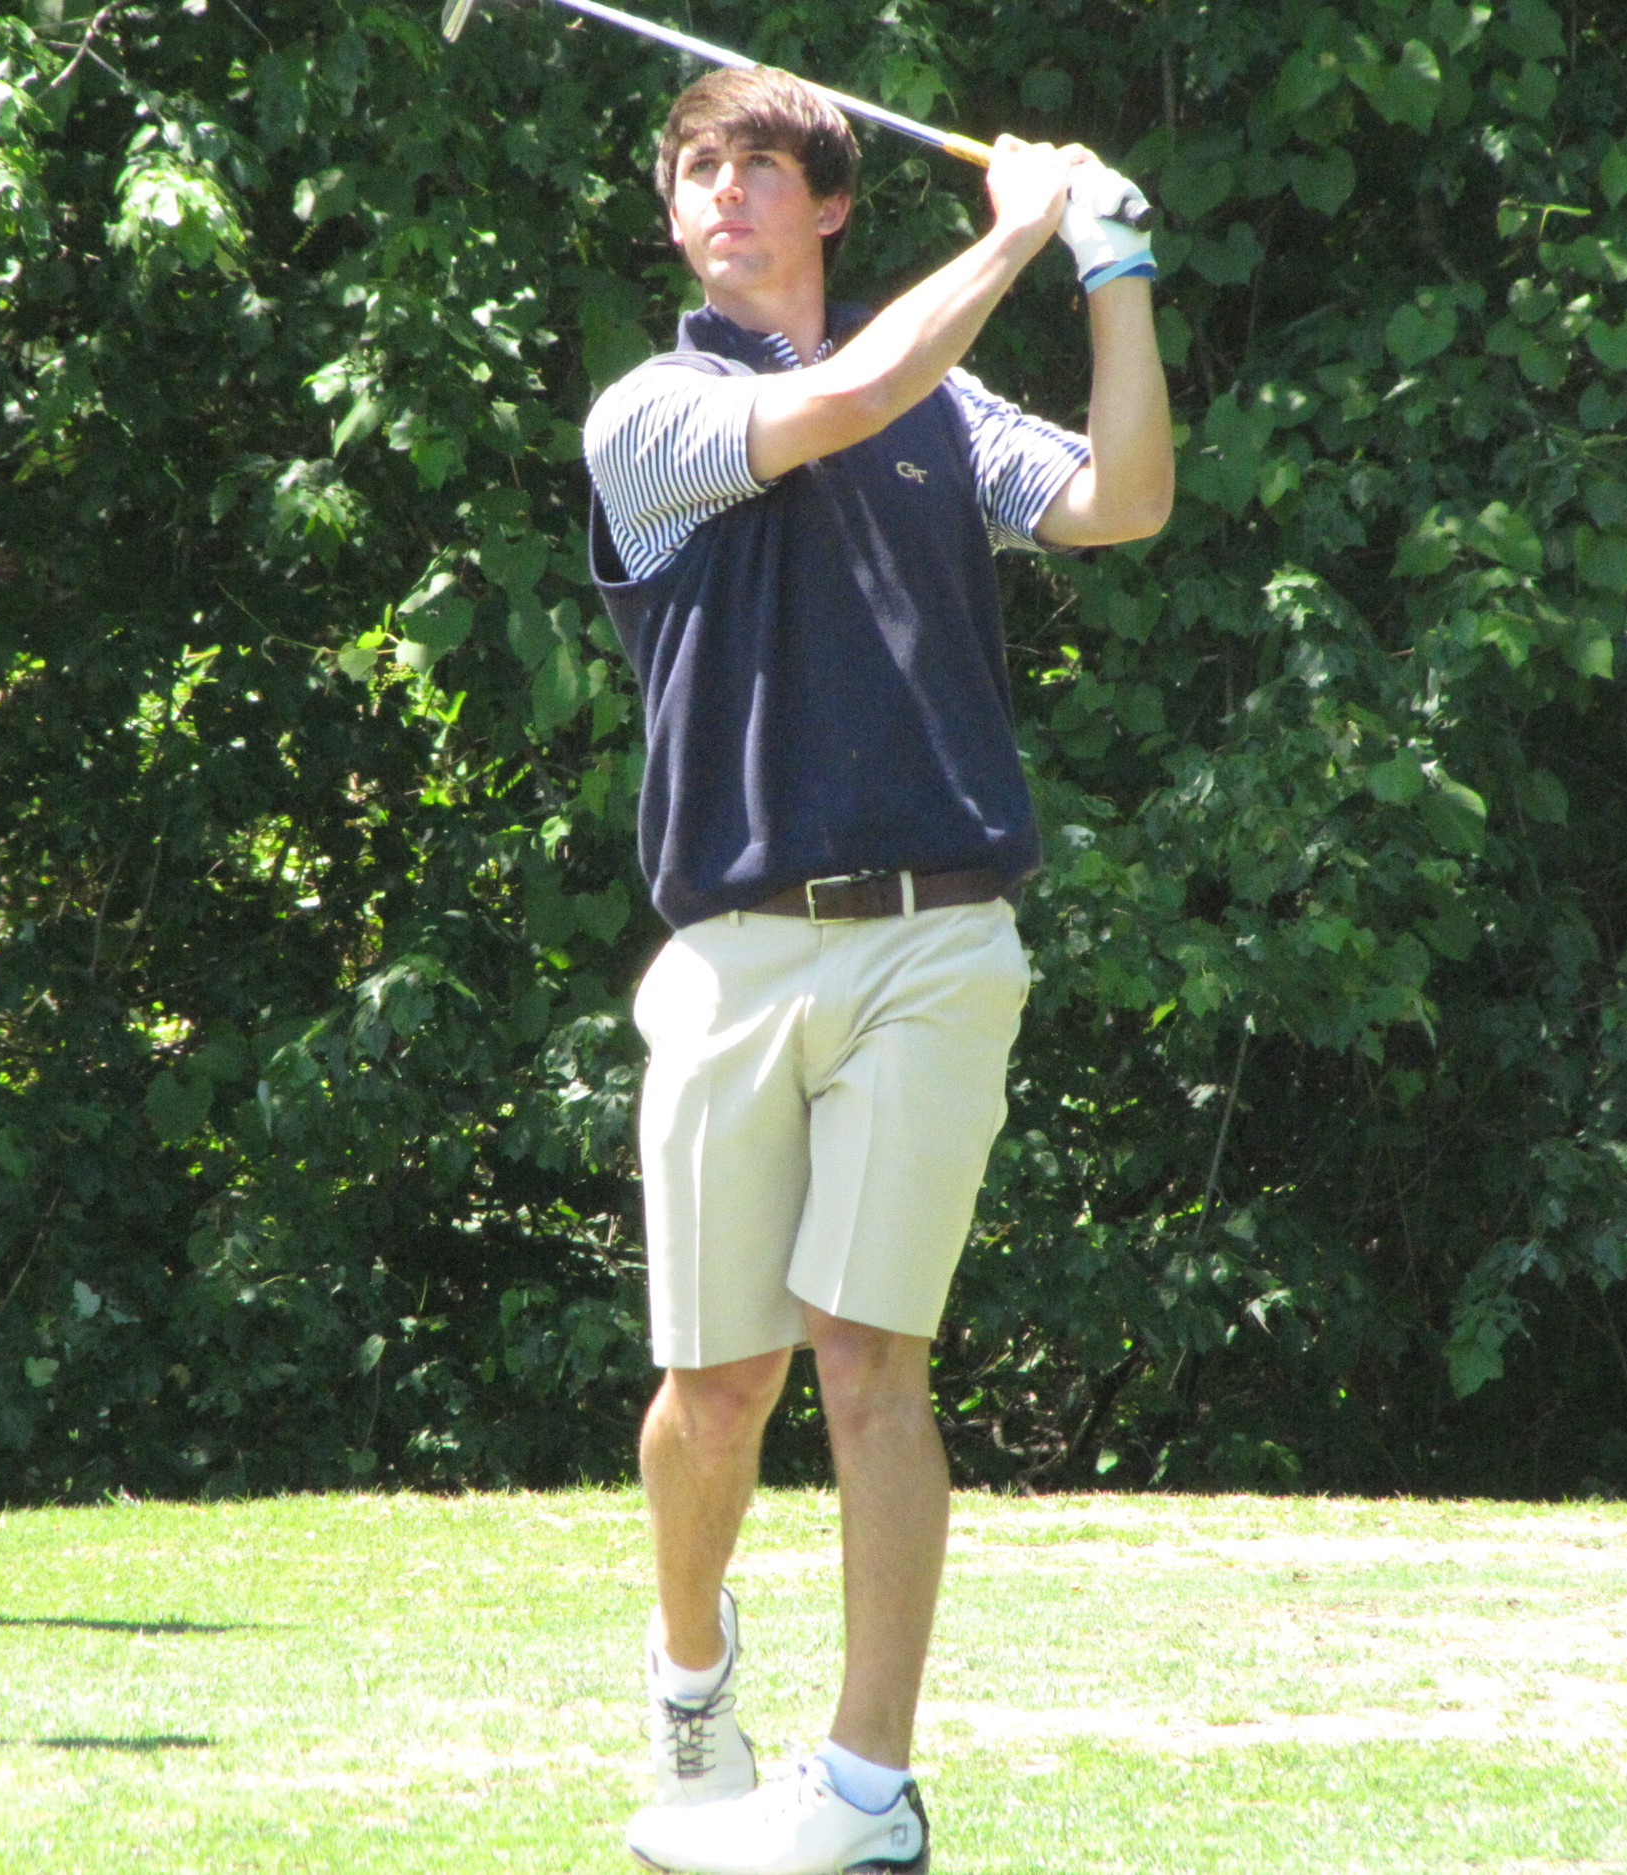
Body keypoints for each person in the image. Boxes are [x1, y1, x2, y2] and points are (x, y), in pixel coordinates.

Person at [584, 68, 1172, 1875]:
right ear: (676, 212)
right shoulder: (653, 410)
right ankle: (695, 1663)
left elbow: (1124, 503)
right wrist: (1014, 230)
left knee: (870, 1365)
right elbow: (837, 399)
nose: (727, 194)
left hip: (939, 938)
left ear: (833, 206)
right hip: (734, 954)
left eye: (763, 166)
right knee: (718, 1388)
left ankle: (867, 1790)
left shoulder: (952, 407)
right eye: (700, 169)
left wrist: (1114, 270)